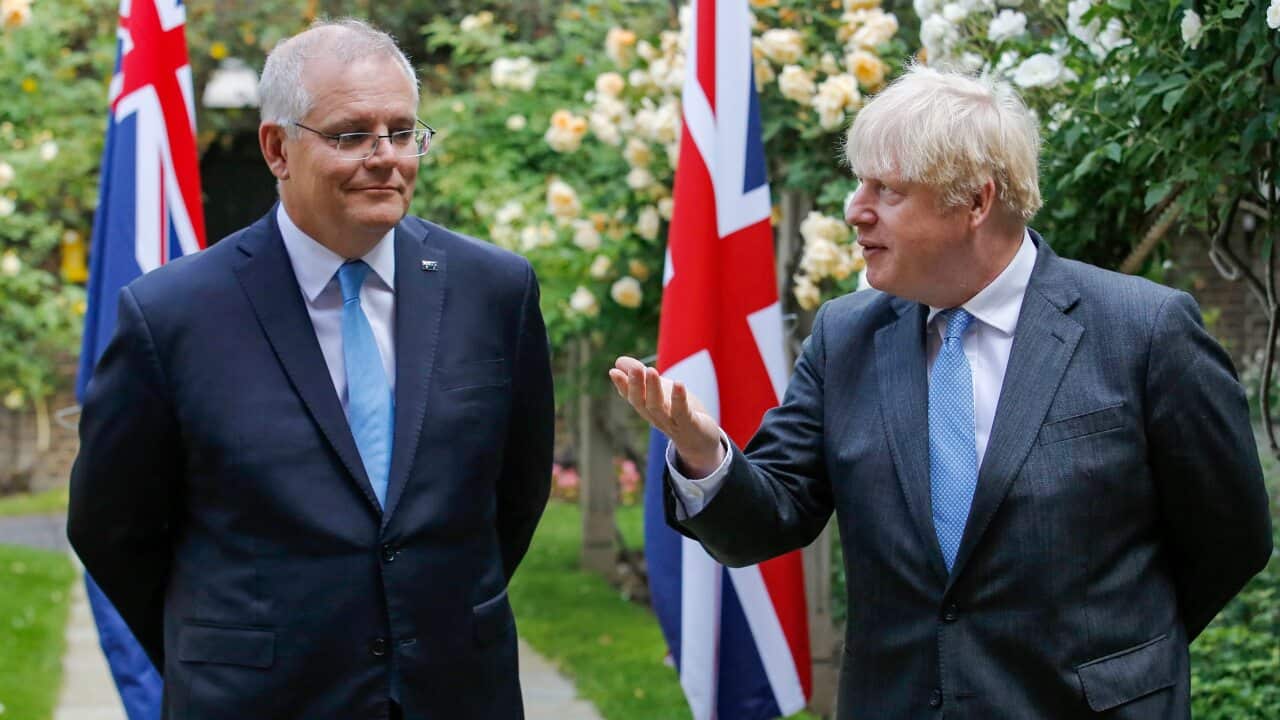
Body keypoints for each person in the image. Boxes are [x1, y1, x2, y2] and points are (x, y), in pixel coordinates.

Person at [610, 65, 1273, 718]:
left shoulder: (1143, 331)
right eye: (858, 183)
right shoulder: (845, 337)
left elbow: (1231, 536)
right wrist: (704, 456)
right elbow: (770, 517)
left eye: (887, 190)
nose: (854, 209)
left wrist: (1120, 658)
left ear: (976, 202)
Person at [68, 19, 552, 719]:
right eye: (352, 134)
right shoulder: (172, 315)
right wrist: (224, 644)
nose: (387, 157)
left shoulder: (495, 290)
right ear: (278, 148)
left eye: (403, 131)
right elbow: (112, 528)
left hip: (454, 692)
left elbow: (516, 493)